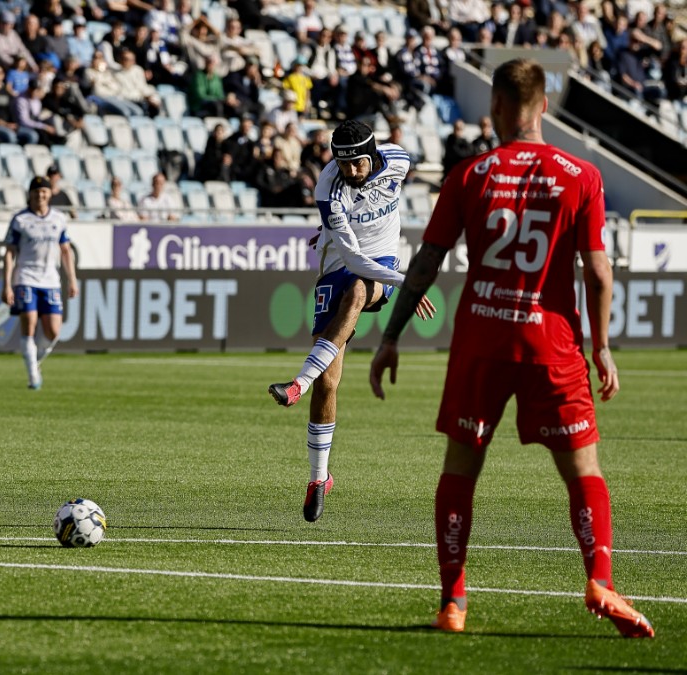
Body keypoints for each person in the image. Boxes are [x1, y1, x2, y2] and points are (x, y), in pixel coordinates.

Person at [367, 58, 655, 639]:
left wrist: (392, 334)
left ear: (496, 107)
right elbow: (598, 272)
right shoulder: (581, 175)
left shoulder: (470, 176)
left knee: (460, 470)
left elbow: (427, 260)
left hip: (481, 340)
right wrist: (601, 347)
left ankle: (453, 603)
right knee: (583, 472)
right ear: (544, 105)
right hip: (553, 344)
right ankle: (600, 579)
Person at [267, 119, 435, 522]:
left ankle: (297, 383)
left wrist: (400, 277)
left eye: (356, 164)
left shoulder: (398, 159)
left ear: (372, 154)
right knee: (330, 382)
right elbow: (353, 257)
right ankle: (319, 478)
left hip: (381, 266)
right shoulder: (329, 187)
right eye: (342, 165)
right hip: (339, 264)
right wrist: (326, 225)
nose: (350, 172)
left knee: (360, 290)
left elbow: (367, 267)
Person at [1, 176, 78, 390]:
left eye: (43, 191)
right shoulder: (20, 219)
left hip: (51, 279)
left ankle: (35, 362)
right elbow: (9, 252)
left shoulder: (59, 219)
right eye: (36, 192)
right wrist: (7, 284)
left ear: (49, 194)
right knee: (30, 322)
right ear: (30, 194)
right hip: (26, 277)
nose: (40, 195)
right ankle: (33, 376)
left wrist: (72, 279)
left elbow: (66, 251)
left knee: (53, 331)